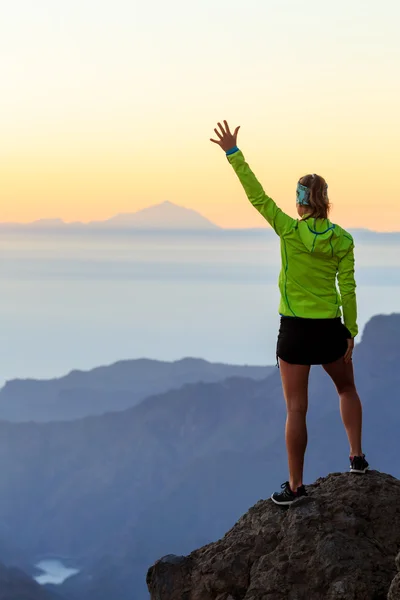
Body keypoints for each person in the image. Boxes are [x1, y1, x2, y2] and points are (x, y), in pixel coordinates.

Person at [210, 120, 368, 506]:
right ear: (326, 201)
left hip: (295, 332)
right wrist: (350, 330)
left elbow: (258, 197)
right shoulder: (342, 239)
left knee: (296, 408)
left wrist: (234, 153)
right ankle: (357, 459)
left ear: (300, 202)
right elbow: (347, 287)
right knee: (346, 388)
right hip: (330, 329)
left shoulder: (288, 230)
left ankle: (295, 487)